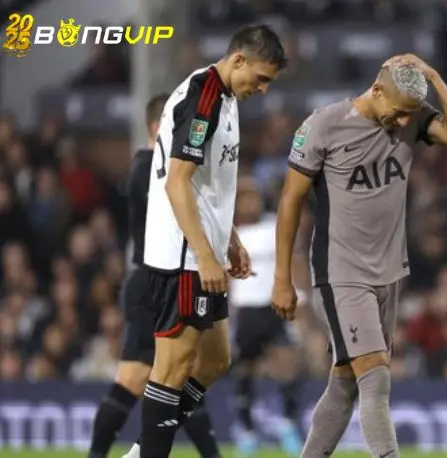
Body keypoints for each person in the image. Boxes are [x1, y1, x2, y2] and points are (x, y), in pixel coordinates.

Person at [272, 53, 447, 458]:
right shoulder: (323, 125)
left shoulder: (412, 116)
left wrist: (433, 75)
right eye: (400, 113)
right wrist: (282, 277)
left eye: (410, 115)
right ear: (377, 89)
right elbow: (290, 201)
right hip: (341, 271)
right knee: (376, 376)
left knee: (346, 380)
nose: (404, 122)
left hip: (389, 271)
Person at [126, 24, 287, 458]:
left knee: (216, 360)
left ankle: (144, 450)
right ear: (238, 60)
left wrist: (228, 238)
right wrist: (202, 250)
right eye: (261, 78)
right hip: (181, 255)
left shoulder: (227, 99)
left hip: (202, 251)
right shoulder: (204, 98)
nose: (264, 89)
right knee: (172, 367)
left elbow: (206, 186)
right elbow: (177, 183)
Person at [87, 95, 222, 458]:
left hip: (158, 279)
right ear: (157, 126)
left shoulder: (151, 167)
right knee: (144, 376)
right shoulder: (149, 169)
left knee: (183, 369)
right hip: (153, 280)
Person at [230, 178, 304, 457]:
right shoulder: (230, 232)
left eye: (254, 197)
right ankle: (247, 431)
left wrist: (301, 298)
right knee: (245, 370)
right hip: (246, 309)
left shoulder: (274, 224)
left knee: (289, 364)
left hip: (272, 307)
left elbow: (292, 260)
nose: (251, 203)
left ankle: (287, 424)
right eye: (245, 198)